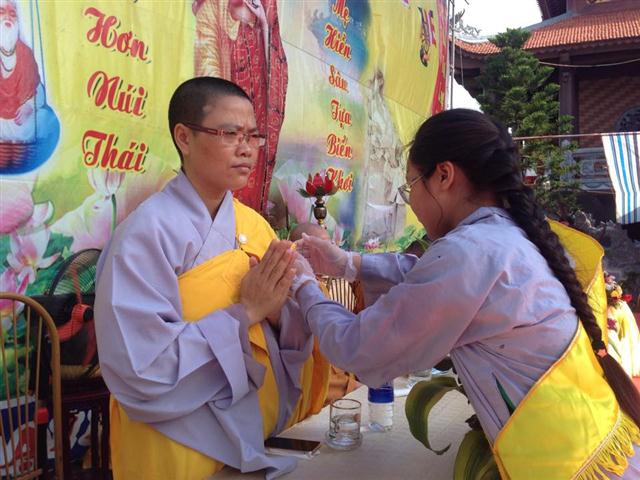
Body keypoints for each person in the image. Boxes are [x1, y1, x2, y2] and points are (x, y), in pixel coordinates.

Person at [290, 109, 640, 478]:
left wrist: (304, 286)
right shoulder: (508, 236)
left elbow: (359, 346)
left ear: (444, 175)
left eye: (411, 185)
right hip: (602, 448)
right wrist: (348, 263)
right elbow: (430, 277)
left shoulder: (470, 250)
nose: (412, 201)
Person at [95, 77, 327, 480]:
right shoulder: (145, 234)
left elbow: (290, 331)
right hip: (176, 436)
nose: (246, 148)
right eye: (230, 134)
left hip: (256, 424)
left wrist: (276, 314)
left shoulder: (256, 226)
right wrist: (247, 311)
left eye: (252, 136)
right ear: (184, 137)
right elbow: (139, 365)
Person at [193, 0, 287, 212]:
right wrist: (225, 113)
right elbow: (207, 66)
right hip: (225, 115)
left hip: (258, 109)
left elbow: (276, 68)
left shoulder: (264, 11)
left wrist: (263, 24)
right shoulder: (212, 9)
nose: (246, 150)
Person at [288, 222, 360, 404]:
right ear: (298, 251)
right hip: (328, 394)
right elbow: (314, 368)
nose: (324, 254)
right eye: (314, 249)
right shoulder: (292, 294)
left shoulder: (327, 285)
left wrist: (350, 267)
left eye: (328, 246)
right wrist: (353, 387)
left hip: (349, 378)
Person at [0, 0, 39, 142]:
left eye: (12, 14)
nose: (7, 18)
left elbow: (38, 91)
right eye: (1, 13)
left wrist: (29, 105)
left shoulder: (26, 54)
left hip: (20, 125)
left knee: (42, 120)